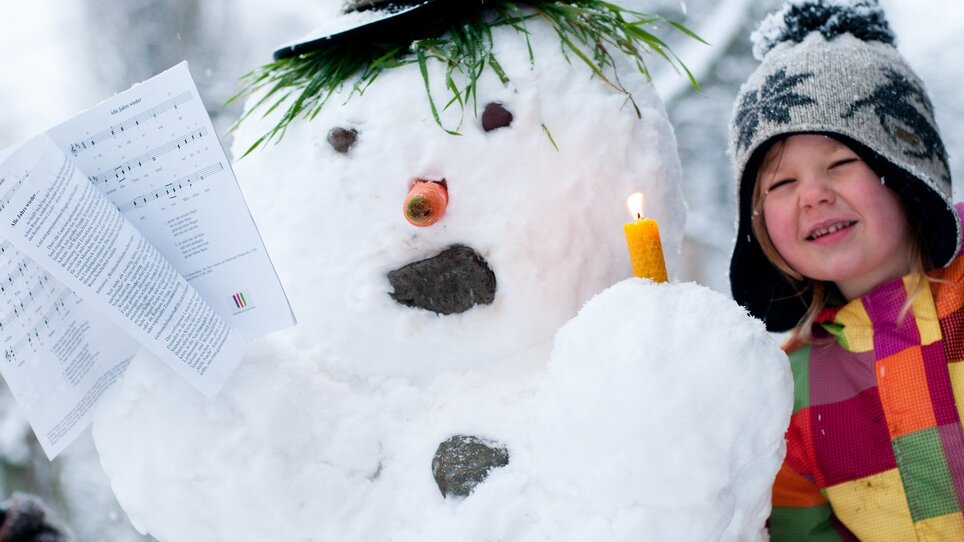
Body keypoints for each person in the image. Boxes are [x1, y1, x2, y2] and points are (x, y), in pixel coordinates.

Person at [728, 0, 964, 540]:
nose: (813, 194)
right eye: (781, 183)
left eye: (840, 162)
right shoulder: (784, 392)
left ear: (907, 173)